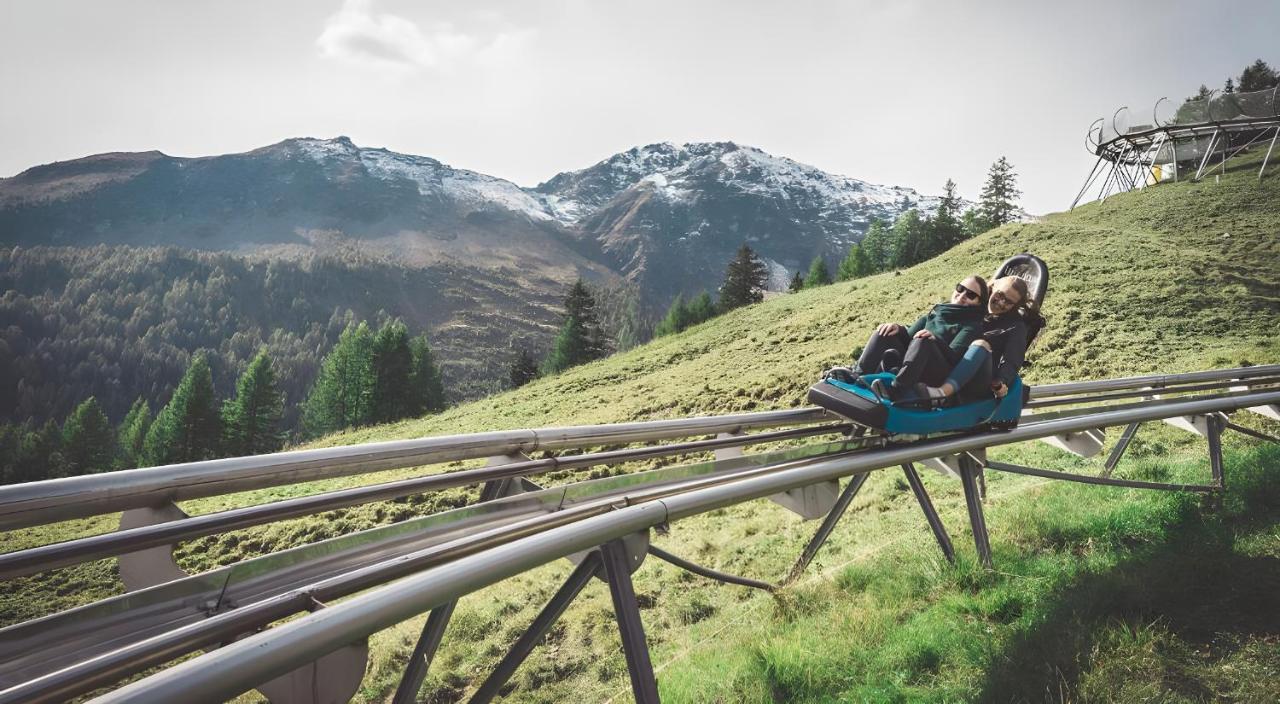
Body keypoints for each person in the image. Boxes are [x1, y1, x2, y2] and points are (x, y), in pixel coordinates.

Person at [831, 275, 987, 386]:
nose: (962, 295)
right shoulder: (934, 314)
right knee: (885, 331)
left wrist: (934, 340)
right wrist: (897, 329)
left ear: (979, 303)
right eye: (960, 288)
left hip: (936, 373)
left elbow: (954, 358)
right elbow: (908, 340)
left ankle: (897, 387)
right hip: (912, 364)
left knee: (923, 340)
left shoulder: (971, 325)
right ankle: (857, 375)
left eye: (971, 295)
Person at [899, 275, 1034, 403]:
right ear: (992, 287)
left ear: (1015, 306)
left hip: (978, 376)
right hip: (947, 364)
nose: (1001, 302)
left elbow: (1012, 360)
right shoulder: (972, 304)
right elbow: (939, 325)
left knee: (980, 344)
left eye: (1009, 302)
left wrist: (1002, 381)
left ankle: (942, 394)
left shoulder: (1015, 326)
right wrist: (903, 330)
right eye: (1000, 295)